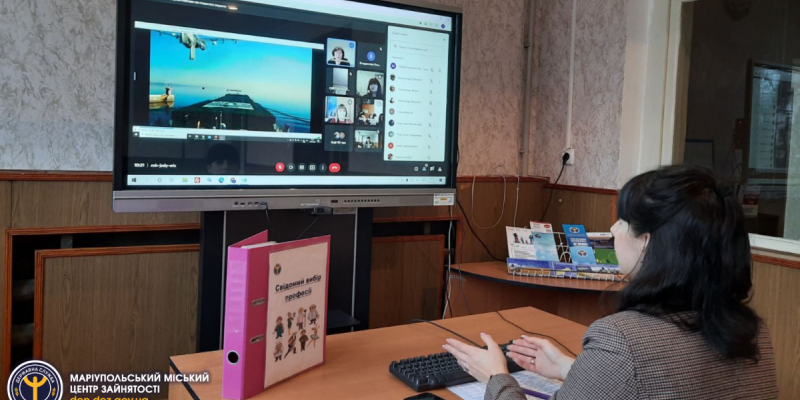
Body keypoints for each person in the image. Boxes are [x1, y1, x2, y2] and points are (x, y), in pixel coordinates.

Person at [442, 165, 778, 400]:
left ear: (647, 242)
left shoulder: (621, 339)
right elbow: (658, 385)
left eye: (624, 221)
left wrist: (496, 377)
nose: (614, 230)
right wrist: (571, 368)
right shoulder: (751, 330)